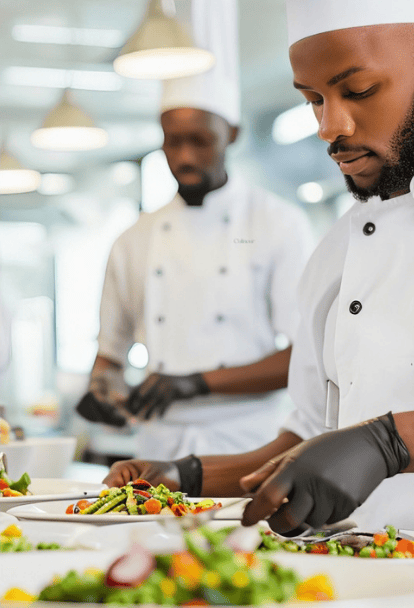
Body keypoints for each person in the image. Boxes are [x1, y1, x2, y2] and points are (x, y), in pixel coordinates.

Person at [103, 0, 414, 534]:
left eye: (358, 90)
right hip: (361, 567)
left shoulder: (278, 224)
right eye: (313, 100)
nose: (329, 126)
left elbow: (358, 446)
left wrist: (388, 441)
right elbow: (308, 437)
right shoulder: (337, 249)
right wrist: (186, 474)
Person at [77, 74, 315, 461]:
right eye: (173, 142)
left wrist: (194, 383)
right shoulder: (133, 239)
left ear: (232, 134)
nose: (185, 157)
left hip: (250, 443)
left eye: (201, 141)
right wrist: (102, 390)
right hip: (159, 446)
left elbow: (306, 355)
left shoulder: (278, 223)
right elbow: (109, 358)